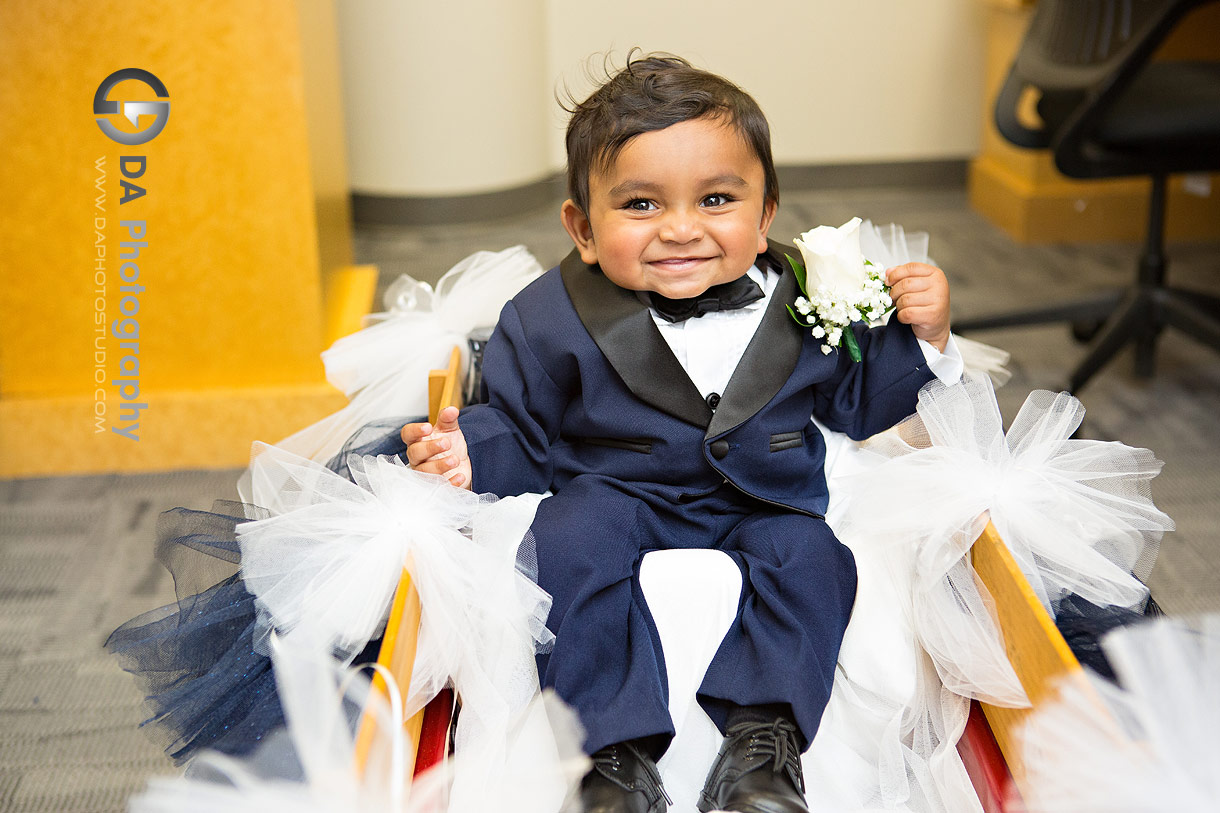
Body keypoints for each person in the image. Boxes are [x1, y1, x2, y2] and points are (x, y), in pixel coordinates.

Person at [402, 53, 960, 813]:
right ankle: (610, 756)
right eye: (640, 205)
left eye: (717, 199)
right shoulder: (547, 314)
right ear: (583, 227)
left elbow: (858, 407)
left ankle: (763, 745)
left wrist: (923, 336)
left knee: (816, 558)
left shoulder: (810, 293)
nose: (681, 229)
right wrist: (472, 449)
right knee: (567, 538)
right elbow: (519, 423)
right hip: (616, 491)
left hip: (767, 498)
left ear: (764, 216)